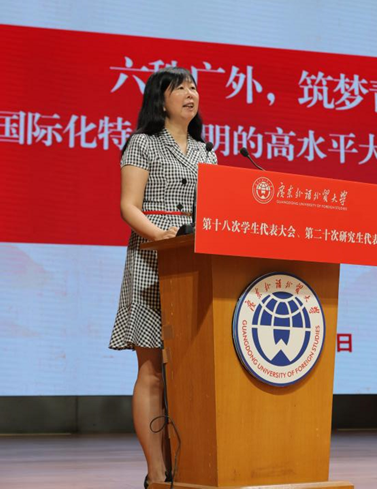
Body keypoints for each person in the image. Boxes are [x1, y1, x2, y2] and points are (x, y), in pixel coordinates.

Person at [109, 67, 216, 486]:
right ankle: (157, 472)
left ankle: (193, 466)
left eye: (194, 87)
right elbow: (128, 206)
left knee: (193, 368)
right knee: (152, 369)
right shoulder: (143, 143)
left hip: (195, 263)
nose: (191, 93)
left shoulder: (207, 152)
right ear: (161, 99)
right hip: (153, 260)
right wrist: (162, 236)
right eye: (180, 88)